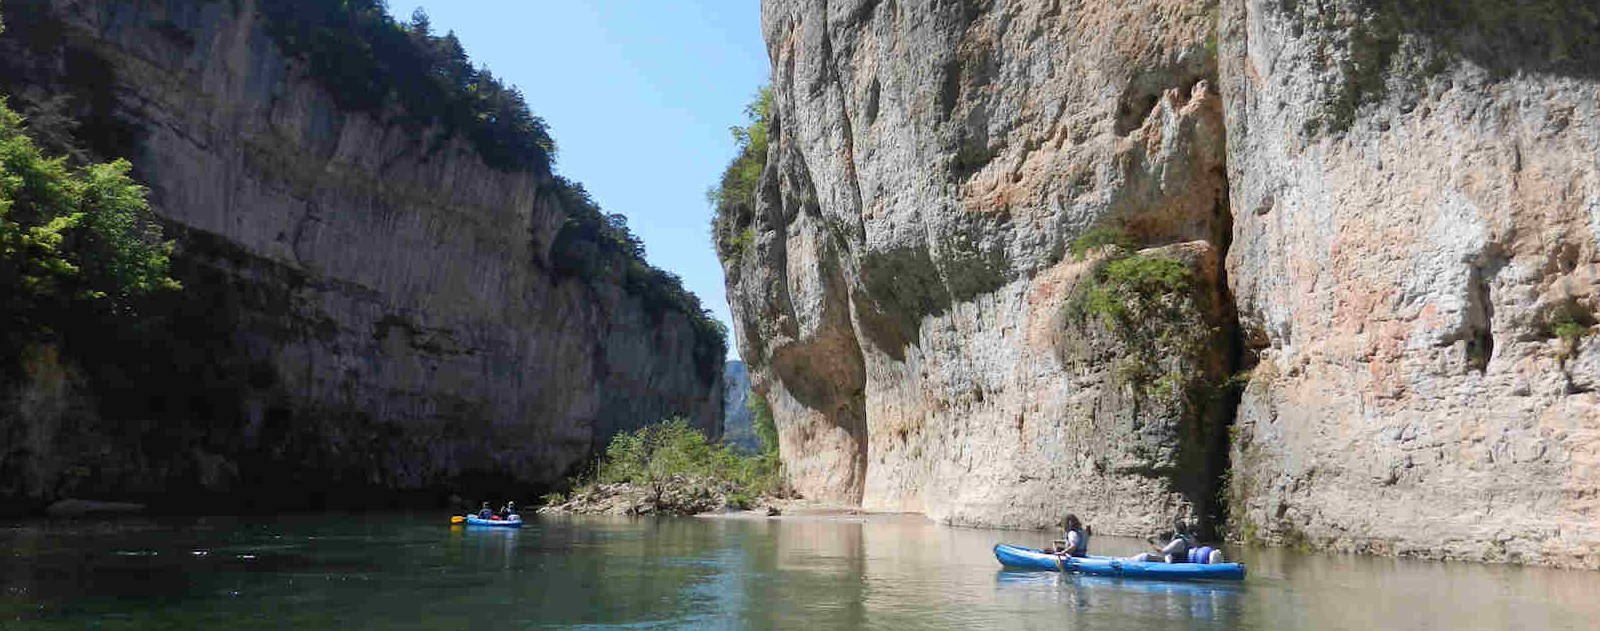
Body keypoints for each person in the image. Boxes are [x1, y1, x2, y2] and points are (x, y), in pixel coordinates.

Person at [1131, 516, 1197, 563]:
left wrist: (1151, 543)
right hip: (1178, 561)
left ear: (1176, 529)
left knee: (1145, 556)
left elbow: (1162, 552)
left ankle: (1126, 563)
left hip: (1169, 563)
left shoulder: (1178, 541)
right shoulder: (1191, 539)